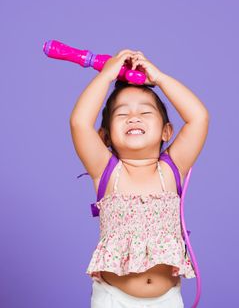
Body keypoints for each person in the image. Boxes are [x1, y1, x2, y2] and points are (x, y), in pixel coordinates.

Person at [69, 49, 209, 307]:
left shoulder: (171, 170)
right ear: (106, 137)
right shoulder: (106, 171)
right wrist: (106, 75)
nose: (134, 116)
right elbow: (79, 122)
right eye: (122, 114)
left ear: (166, 131)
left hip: (167, 299)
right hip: (113, 299)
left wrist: (160, 79)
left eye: (145, 113)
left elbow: (198, 117)